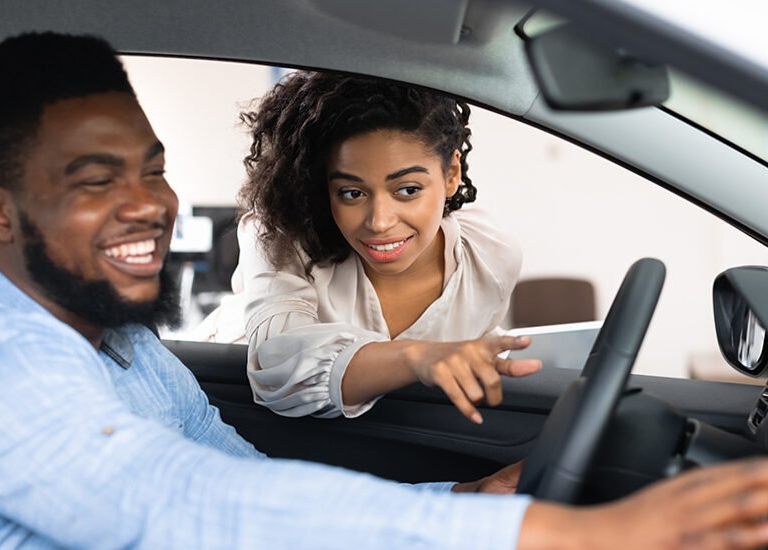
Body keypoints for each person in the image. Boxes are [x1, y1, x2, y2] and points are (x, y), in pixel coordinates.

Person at [0, 32, 768, 550]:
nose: (146, 207)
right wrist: (575, 540)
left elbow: (238, 472)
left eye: (152, 172)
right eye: (92, 179)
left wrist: (459, 499)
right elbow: (213, 516)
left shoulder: (120, 349)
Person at [194, 71, 541, 423]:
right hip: (221, 412)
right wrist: (414, 357)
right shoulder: (278, 240)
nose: (379, 221)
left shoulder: (489, 256)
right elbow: (281, 369)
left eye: (408, 190)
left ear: (451, 173)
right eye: (352, 193)